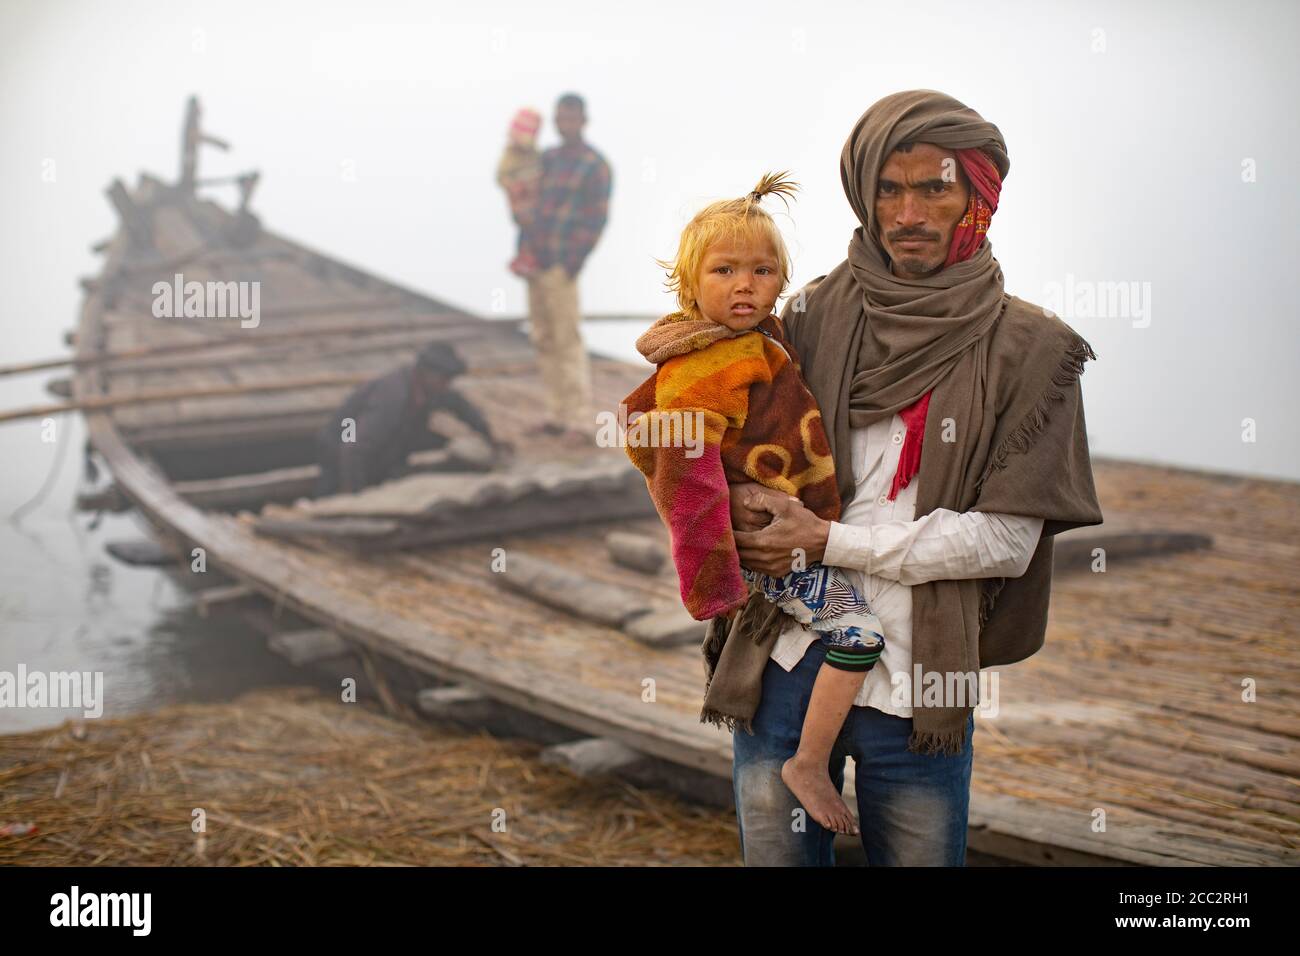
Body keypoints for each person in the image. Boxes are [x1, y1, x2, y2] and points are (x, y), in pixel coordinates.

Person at [700, 90, 1104, 866]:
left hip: (921, 678)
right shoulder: (809, 314)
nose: (908, 213)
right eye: (890, 188)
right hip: (784, 654)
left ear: (976, 199)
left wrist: (829, 538)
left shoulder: (1034, 350)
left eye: (935, 188)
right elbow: (728, 435)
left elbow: (1007, 542)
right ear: (864, 193)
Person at [622, 171, 885, 835]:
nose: (746, 284)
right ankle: (809, 762)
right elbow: (686, 476)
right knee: (860, 635)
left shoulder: (752, 343)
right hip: (774, 550)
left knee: (849, 630)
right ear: (691, 284)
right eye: (725, 270)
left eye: (763, 269)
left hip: (801, 534)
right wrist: (714, 583)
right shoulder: (703, 367)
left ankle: (807, 751)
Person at [522, 92, 612, 443]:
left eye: (572, 117)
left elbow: (596, 218)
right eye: (561, 117)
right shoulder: (547, 159)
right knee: (543, 336)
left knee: (566, 336)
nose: (566, 123)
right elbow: (528, 205)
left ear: (582, 120)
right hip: (536, 259)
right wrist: (525, 250)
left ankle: (577, 418)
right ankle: (555, 413)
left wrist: (574, 260)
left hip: (563, 263)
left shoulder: (593, 164)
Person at [314, 342, 505, 497]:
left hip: (381, 453)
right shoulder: (392, 396)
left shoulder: (435, 390)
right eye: (444, 378)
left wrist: (490, 438)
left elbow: (464, 409)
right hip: (341, 452)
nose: (447, 384)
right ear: (425, 372)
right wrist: (356, 497)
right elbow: (352, 448)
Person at [496, 107, 543, 277]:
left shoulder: (536, 155)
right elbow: (501, 177)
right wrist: (514, 186)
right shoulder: (509, 156)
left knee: (531, 231)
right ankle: (523, 260)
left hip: (534, 204)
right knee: (525, 230)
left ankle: (529, 260)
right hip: (520, 202)